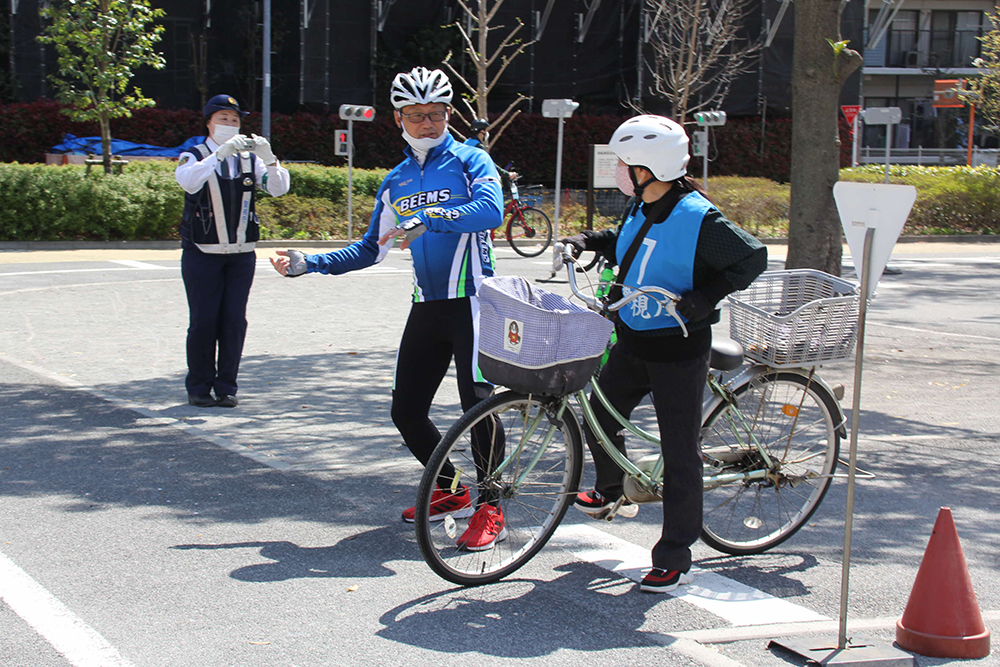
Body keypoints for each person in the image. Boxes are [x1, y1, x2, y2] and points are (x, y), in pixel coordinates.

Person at [270, 67, 507, 551]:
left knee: (478, 406)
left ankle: (492, 505)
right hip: (428, 306)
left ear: (448, 116)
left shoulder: (471, 160)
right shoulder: (395, 181)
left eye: (437, 115)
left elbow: (490, 211)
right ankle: (453, 490)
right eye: (417, 116)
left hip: (474, 302)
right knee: (406, 411)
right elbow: (368, 250)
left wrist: (432, 216)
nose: (427, 124)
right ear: (399, 118)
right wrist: (308, 263)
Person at [561, 115, 767, 594]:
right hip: (634, 335)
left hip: (678, 348)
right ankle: (613, 490)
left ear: (650, 168)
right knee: (597, 410)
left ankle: (675, 552)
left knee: (679, 454)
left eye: (626, 164)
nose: (621, 171)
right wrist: (587, 240)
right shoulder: (641, 204)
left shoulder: (699, 216)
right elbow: (628, 245)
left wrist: (707, 295)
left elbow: (751, 257)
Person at [175, 94, 291, 408]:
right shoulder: (195, 154)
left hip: (241, 253)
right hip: (202, 251)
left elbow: (279, 188)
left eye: (235, 120)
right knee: (203, 320)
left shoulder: (249, 159)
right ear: (209, 122)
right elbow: (188, 181)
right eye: (224, 119)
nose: (230, 124)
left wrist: (269, 158)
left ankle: (227, 387)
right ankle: (199, 386)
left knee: (234, 320)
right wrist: (219, 153)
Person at [463, 118, 518, 192]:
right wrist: (507, 174)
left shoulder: (466, 143)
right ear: (482, 131)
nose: (487, 133)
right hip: (474, 182)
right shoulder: (478, 146)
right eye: (486, 131)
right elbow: (490, 164)